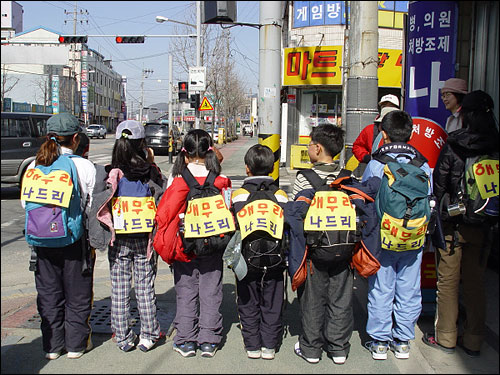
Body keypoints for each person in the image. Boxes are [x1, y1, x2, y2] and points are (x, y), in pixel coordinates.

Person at [422, 90, 499, 357]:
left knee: (448, 281)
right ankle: (475, 339)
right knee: (475, 283)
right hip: (484, 224)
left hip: (454, 222)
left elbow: (440, 184)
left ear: (465, 114)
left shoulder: (454, 143)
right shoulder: (496, 144)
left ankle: (446, 337)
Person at [21, 113, 96, 360]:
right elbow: (89, 205)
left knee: (49, 293)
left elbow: (25, 204)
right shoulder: (83, 166)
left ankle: (52, 346)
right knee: (77, 292)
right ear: (76, 138)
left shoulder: (34, 165)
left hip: (40, 240)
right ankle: (75, 345)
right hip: (74, 239)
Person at [89, 120, 167, 353]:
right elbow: (161, 199)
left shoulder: (111, 172)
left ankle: (122, 336)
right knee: (145, 287)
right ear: (142, 143)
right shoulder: (149, 172)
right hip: (145, 240)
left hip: (119, 239)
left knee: (120, 288)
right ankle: (149, 334)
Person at [153, 129, 232, 358]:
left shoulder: (177, 179)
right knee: (211, 290)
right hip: (214, 243)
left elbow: (164, 214)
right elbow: (227, 211)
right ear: (210, 152)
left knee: (186, 290)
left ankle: (186, 339)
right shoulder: (220, 180)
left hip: (184, 243)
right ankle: (209, 339)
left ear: (184, 154)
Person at [362, 110, 432, 360]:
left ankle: (380, 342)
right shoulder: (422, 164)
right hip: (414, 235)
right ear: (411, 134)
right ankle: (403, 340)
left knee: (381, 287)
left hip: (384, 234)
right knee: (410, 287)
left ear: (383, 133)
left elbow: (366, 197)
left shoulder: (377, 164)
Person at [291, 124, 353, 365]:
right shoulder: (347, 177)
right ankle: (338, 349)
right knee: (340, 299)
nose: (308, 149)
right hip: (344, 248)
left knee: (313, 300)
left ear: (317, 148)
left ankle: (311, 349)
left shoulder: (303, 178)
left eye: (309, 145)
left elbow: (296, 216)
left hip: (315, 250)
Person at [229, 144, 289, 360]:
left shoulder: (238, 196)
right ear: (272, 168)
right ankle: (269, 346)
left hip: (246, 259)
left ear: (247, 169)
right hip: (275, 258)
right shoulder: (281, 195)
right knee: (272, 302)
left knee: (247, 300)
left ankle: (252, 345)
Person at [352, 94, 400, 164]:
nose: (387, 108)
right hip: (376, 167)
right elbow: (357, 146)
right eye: (384, 106)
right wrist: (365, 156)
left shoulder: (405, 129)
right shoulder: (369, 129)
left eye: (391, 106)